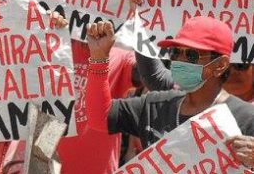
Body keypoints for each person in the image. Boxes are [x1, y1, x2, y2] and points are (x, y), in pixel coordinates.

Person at [85, 15, 254, 166]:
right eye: (175, 52)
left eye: (191, 55)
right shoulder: (155, 105)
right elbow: (100, 117)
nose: (180, 61)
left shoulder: (247, 118)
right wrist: (99, 58)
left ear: (220, 65)